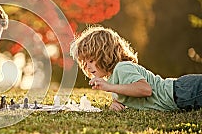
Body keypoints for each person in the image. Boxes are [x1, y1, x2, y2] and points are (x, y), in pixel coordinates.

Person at [70, 26, 202, 112]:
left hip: (183, 92)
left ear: (104, 54)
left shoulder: (123, 67)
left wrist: (110, 87)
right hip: (181, 95)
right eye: (85, 62)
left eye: (91, 60)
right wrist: (116, 104)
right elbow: (126, 95)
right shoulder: (113, 77)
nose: (87, 66)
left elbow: (145, 90)